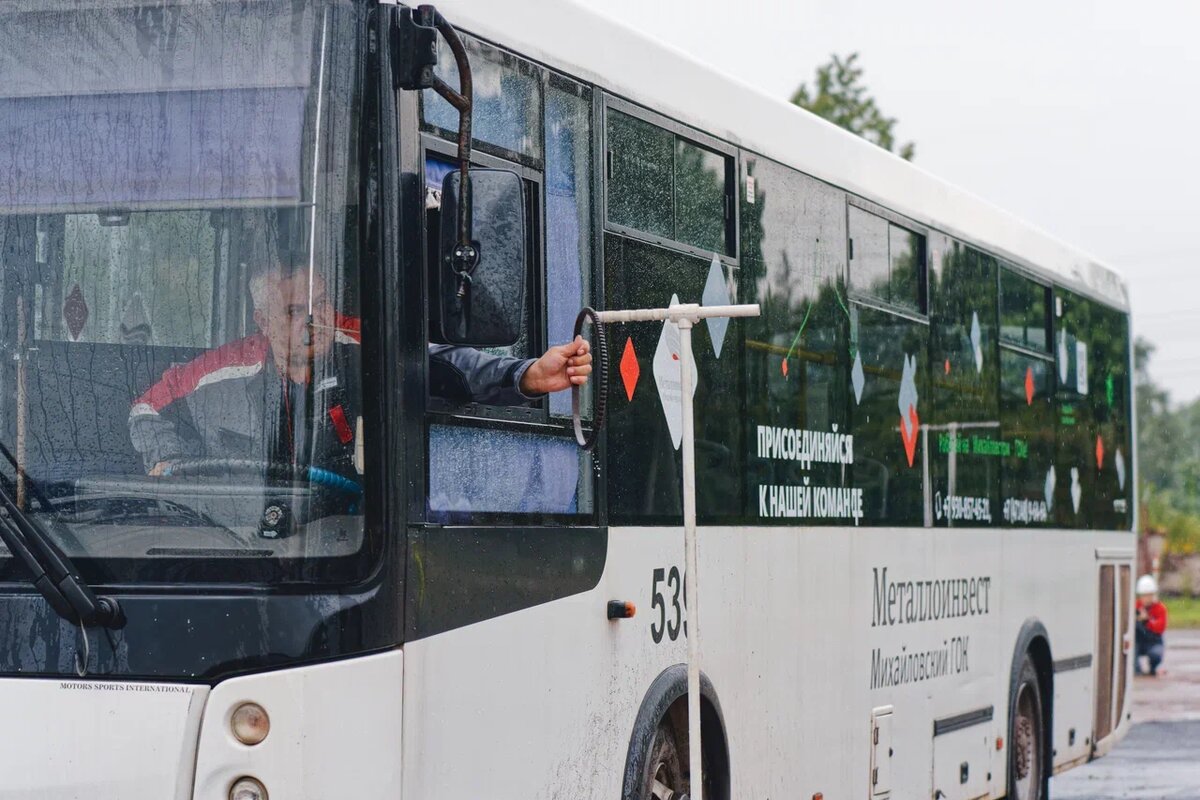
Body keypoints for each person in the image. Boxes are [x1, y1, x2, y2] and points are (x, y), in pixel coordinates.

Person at [128, 262, 591, 476]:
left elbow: (448, 365)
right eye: (294, 311)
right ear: (263, 322)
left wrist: (526, 376)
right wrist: (171, 461)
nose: (316, 321)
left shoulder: (361, 344)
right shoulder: (224, 369)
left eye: (322, 303)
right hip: (248, 544)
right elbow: (146, 408)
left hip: (353, 546)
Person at [1135, 574, 1168, 677]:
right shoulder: (1135, 606)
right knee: (1130, 649)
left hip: (1154, 641)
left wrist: (1146, 621)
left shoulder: (1160, 608)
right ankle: (1136, 671)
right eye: (1144, 595)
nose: (1147, 598)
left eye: (1149, 595)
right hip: (1139, 642)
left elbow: (1160, 627)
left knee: (1156, 654)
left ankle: (1153, 669)